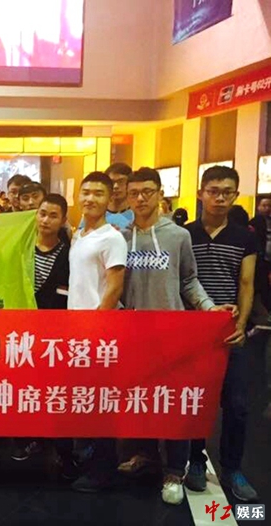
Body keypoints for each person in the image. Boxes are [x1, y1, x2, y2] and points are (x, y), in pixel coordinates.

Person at [119, 167, 236, 505]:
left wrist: (209, 308)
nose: (140, 198)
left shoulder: (178, 236)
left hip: (172, 335)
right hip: (133, 334)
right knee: (141, 399)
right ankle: (145, 456)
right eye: (134, 193)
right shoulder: (120, 238)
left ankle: (174, 470)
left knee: (174, 402)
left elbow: (188, 280)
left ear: (160, 194)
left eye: (147, 191)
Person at [184, 166, 258, 502]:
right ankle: (196, 462)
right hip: (193, 329)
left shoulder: (245, 237)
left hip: (230, 330)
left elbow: (247, 282)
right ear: (201, 193)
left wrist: (241, 324)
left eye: (227, 192)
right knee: (195, 401)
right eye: (213, 191)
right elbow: (183, 280)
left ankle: (232, 468)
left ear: (236, 195)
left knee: (237, 404)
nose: (220, 198)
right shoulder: (185, 234)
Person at [68, 171, 127, 493]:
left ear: (109, 199)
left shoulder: (112, 238)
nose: (90, 198)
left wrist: (98, 329)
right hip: (76, 331)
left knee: (101, 401)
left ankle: (103, 470)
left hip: (97, 334)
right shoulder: (79, 234)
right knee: (85, 399)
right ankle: (90, 458)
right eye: (86, 192)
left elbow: (114, 288)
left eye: (98, 193)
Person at [10, 194, 77, 479]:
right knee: (26, 388)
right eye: (42, 213)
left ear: (63, 220)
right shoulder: (21, 249)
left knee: (56, 391)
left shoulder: (70, 252)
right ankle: (29, 438)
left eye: (53, 215)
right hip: (24, 331)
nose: (46, 220)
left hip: (56, 334)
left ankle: (63, 449)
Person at [104, 162, 134, 230]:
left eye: (121, 181)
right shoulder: (96, 213)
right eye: (112, 182)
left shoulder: (138, 214)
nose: (115, 186)